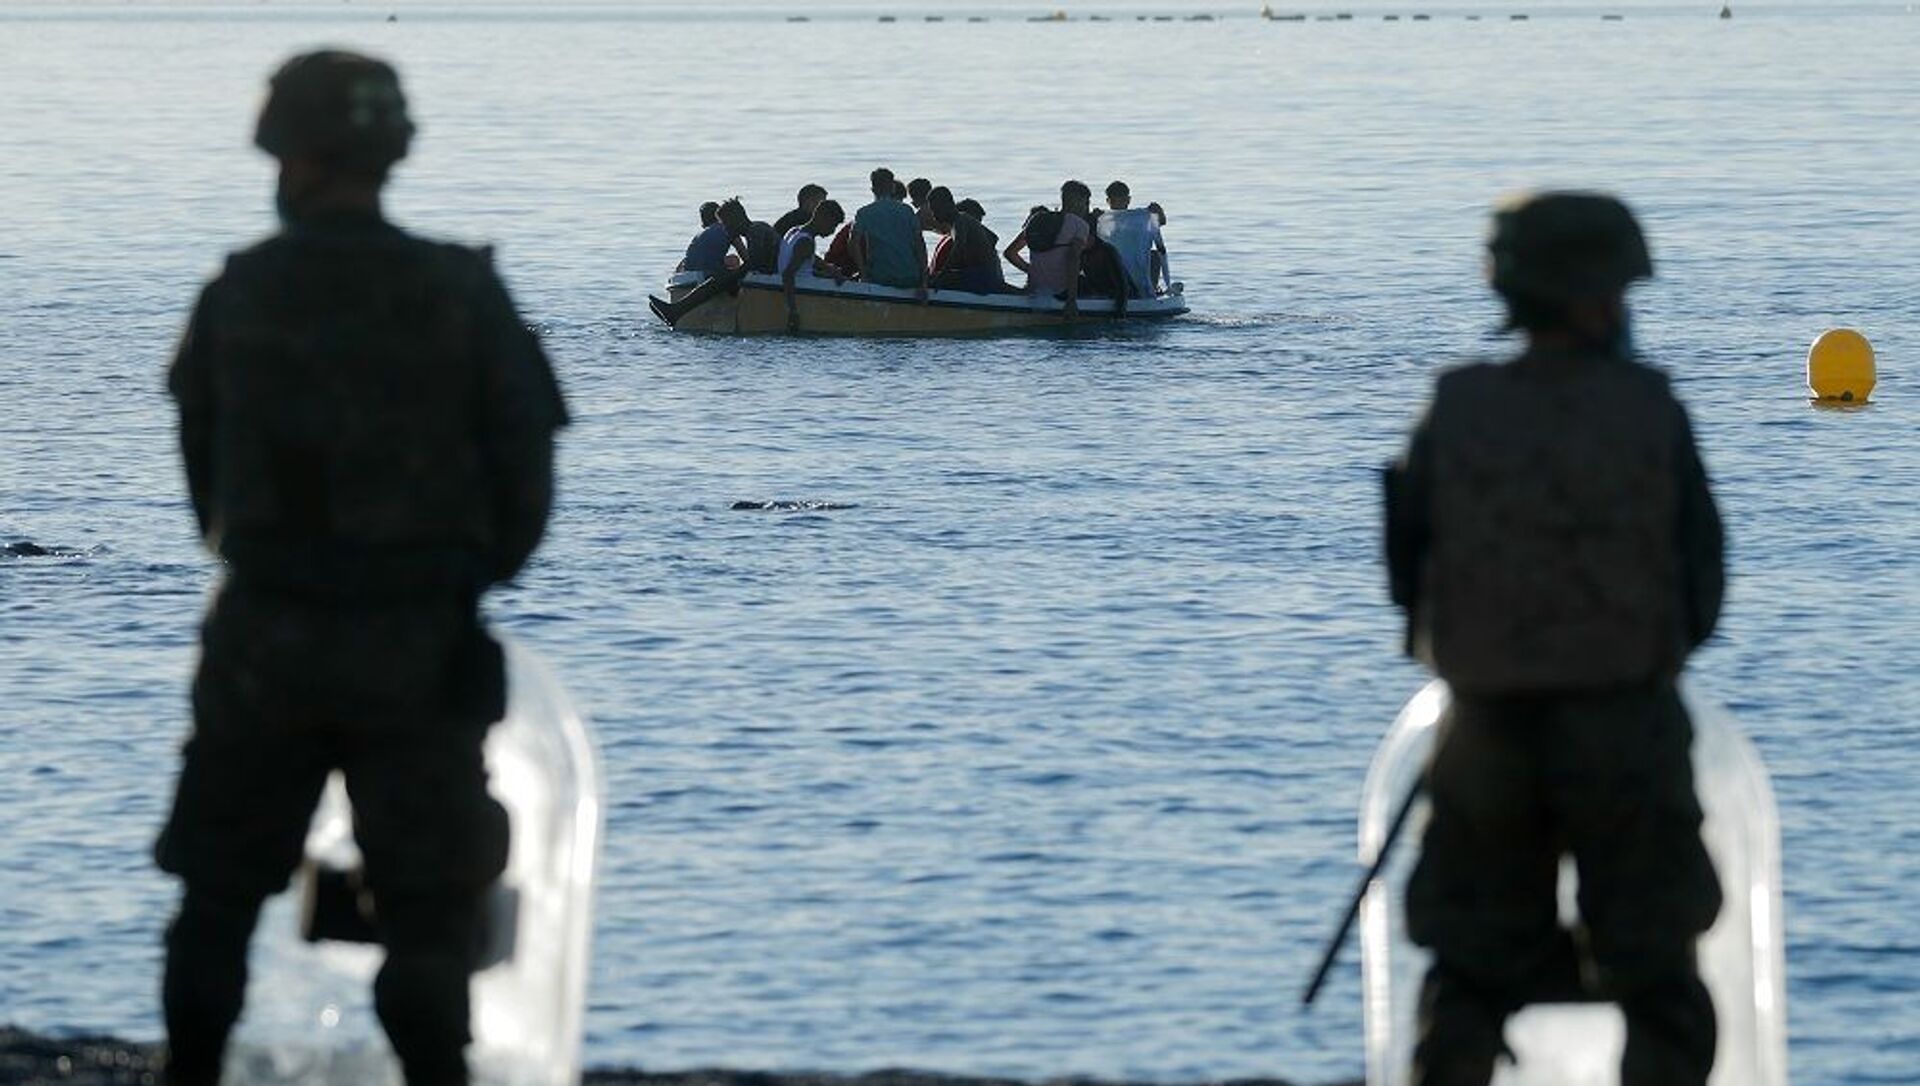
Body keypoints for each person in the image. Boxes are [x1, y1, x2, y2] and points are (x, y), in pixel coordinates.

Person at [155, 50, 568, 1086]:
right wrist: (454, 576)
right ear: (393, 155)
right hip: (420, 641)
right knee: (428, 918)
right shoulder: (464, 294)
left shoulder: (238, 292)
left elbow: (205, 485)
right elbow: (526, 479)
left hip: (264, 638)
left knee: (218, 898)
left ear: (283, 155)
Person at [1383, 191, 1725, 1086]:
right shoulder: (1650, 408)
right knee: (1659, 981)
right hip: (1627, 732)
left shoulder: (1454, 407)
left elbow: (1405, 573)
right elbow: (1703, 583)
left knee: (1469, 978)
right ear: (1600, 298)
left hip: (1483, 736)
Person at [648, 198, 780, 326]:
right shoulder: (754, 230)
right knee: (719, 278)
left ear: (736, 220)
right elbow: (752, 264)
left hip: (770, 274)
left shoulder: (756, 230)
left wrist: (730, 276)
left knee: (719, 279)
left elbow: (754, 264)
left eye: (727, 225)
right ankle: (676, 310)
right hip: (765, 272)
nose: (726, 230)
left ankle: (676, 311)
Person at [1003, 182, 1093, 318]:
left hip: (1035, 290)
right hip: (1061, 292)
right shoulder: (1080, 225)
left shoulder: (1037, 220)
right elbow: (1073, 257)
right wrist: (1071, 300)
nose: (1087, 208)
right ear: (1077, 201)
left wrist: (1032, 270)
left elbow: (1010, 253)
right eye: (1086, 203)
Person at [850, 167, 928, 298]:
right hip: (909, 277)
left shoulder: (864, 213)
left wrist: (863, 273)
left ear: (873, 189)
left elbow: (853, 243)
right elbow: (920, 244)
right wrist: (924, 282)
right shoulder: (907, 211)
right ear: (892, 188)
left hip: (880, 277)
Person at [779, 198, 847, 333]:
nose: (832, 231)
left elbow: (805, 264)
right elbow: (788, 274)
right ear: (823, 217)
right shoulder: (806, 242)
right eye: (833, 225)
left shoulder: (794, 231)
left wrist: (829, 270)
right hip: (798, 294)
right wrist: (792, 310)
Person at [926, 186, 1007, 294]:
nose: (934, 215)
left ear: (948, 204)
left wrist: (943, 275)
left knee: (932, 280)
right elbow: (993, 237)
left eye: (935, 210)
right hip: (984, 275)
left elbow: (958, 250)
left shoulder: (960, 221)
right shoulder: (965, 220)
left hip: (982, 277)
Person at [676, 200, 741, 274]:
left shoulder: (699, 236)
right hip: (709, 273)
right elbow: (745, 256)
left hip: (689, 271)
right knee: (734, 259)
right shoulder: (729, 228)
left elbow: (684, 263)